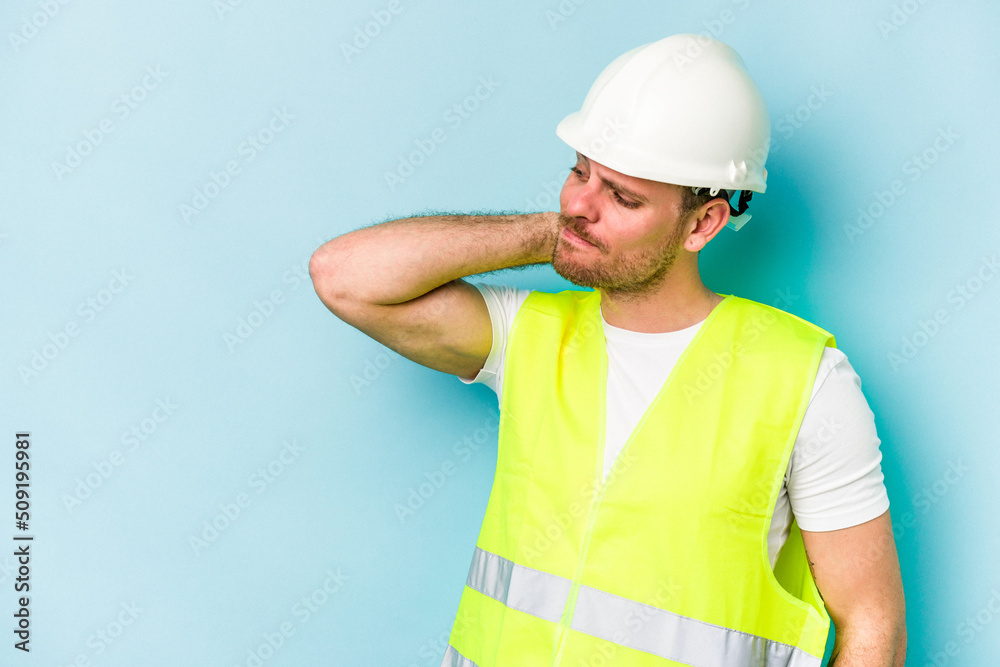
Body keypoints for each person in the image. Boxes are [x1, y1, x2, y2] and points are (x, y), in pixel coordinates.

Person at [310, 34, 906, 667]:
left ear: (703, 224)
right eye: (579, 171)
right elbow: (345, 277)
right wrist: (564, 234)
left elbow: (874, 625)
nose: (578, 203)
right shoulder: (527, 335)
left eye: (623, 197)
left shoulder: (803, 380)